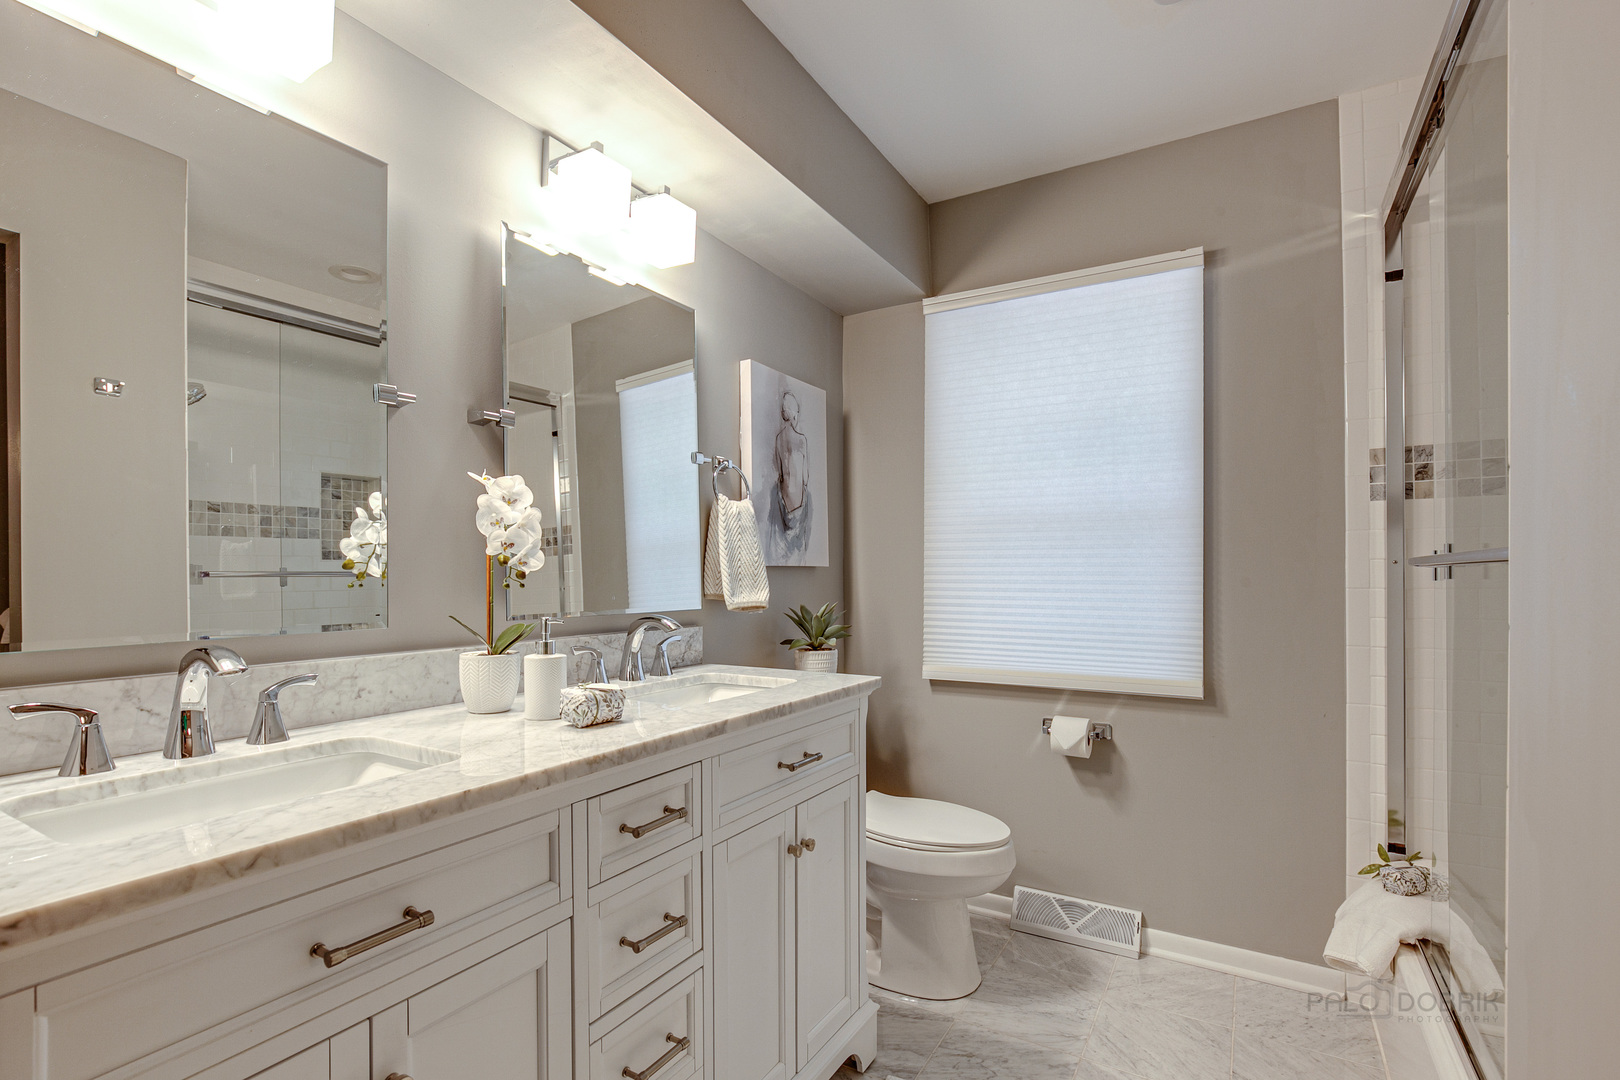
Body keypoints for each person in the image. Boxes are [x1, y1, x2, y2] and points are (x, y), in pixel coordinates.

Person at [769, 389, 813, 560]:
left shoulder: (779, 439)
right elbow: (806, 477)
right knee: (798, 550)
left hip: (784, 498)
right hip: (799, 500)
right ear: (794, 412)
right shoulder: (802, 440)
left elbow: (780, 473)